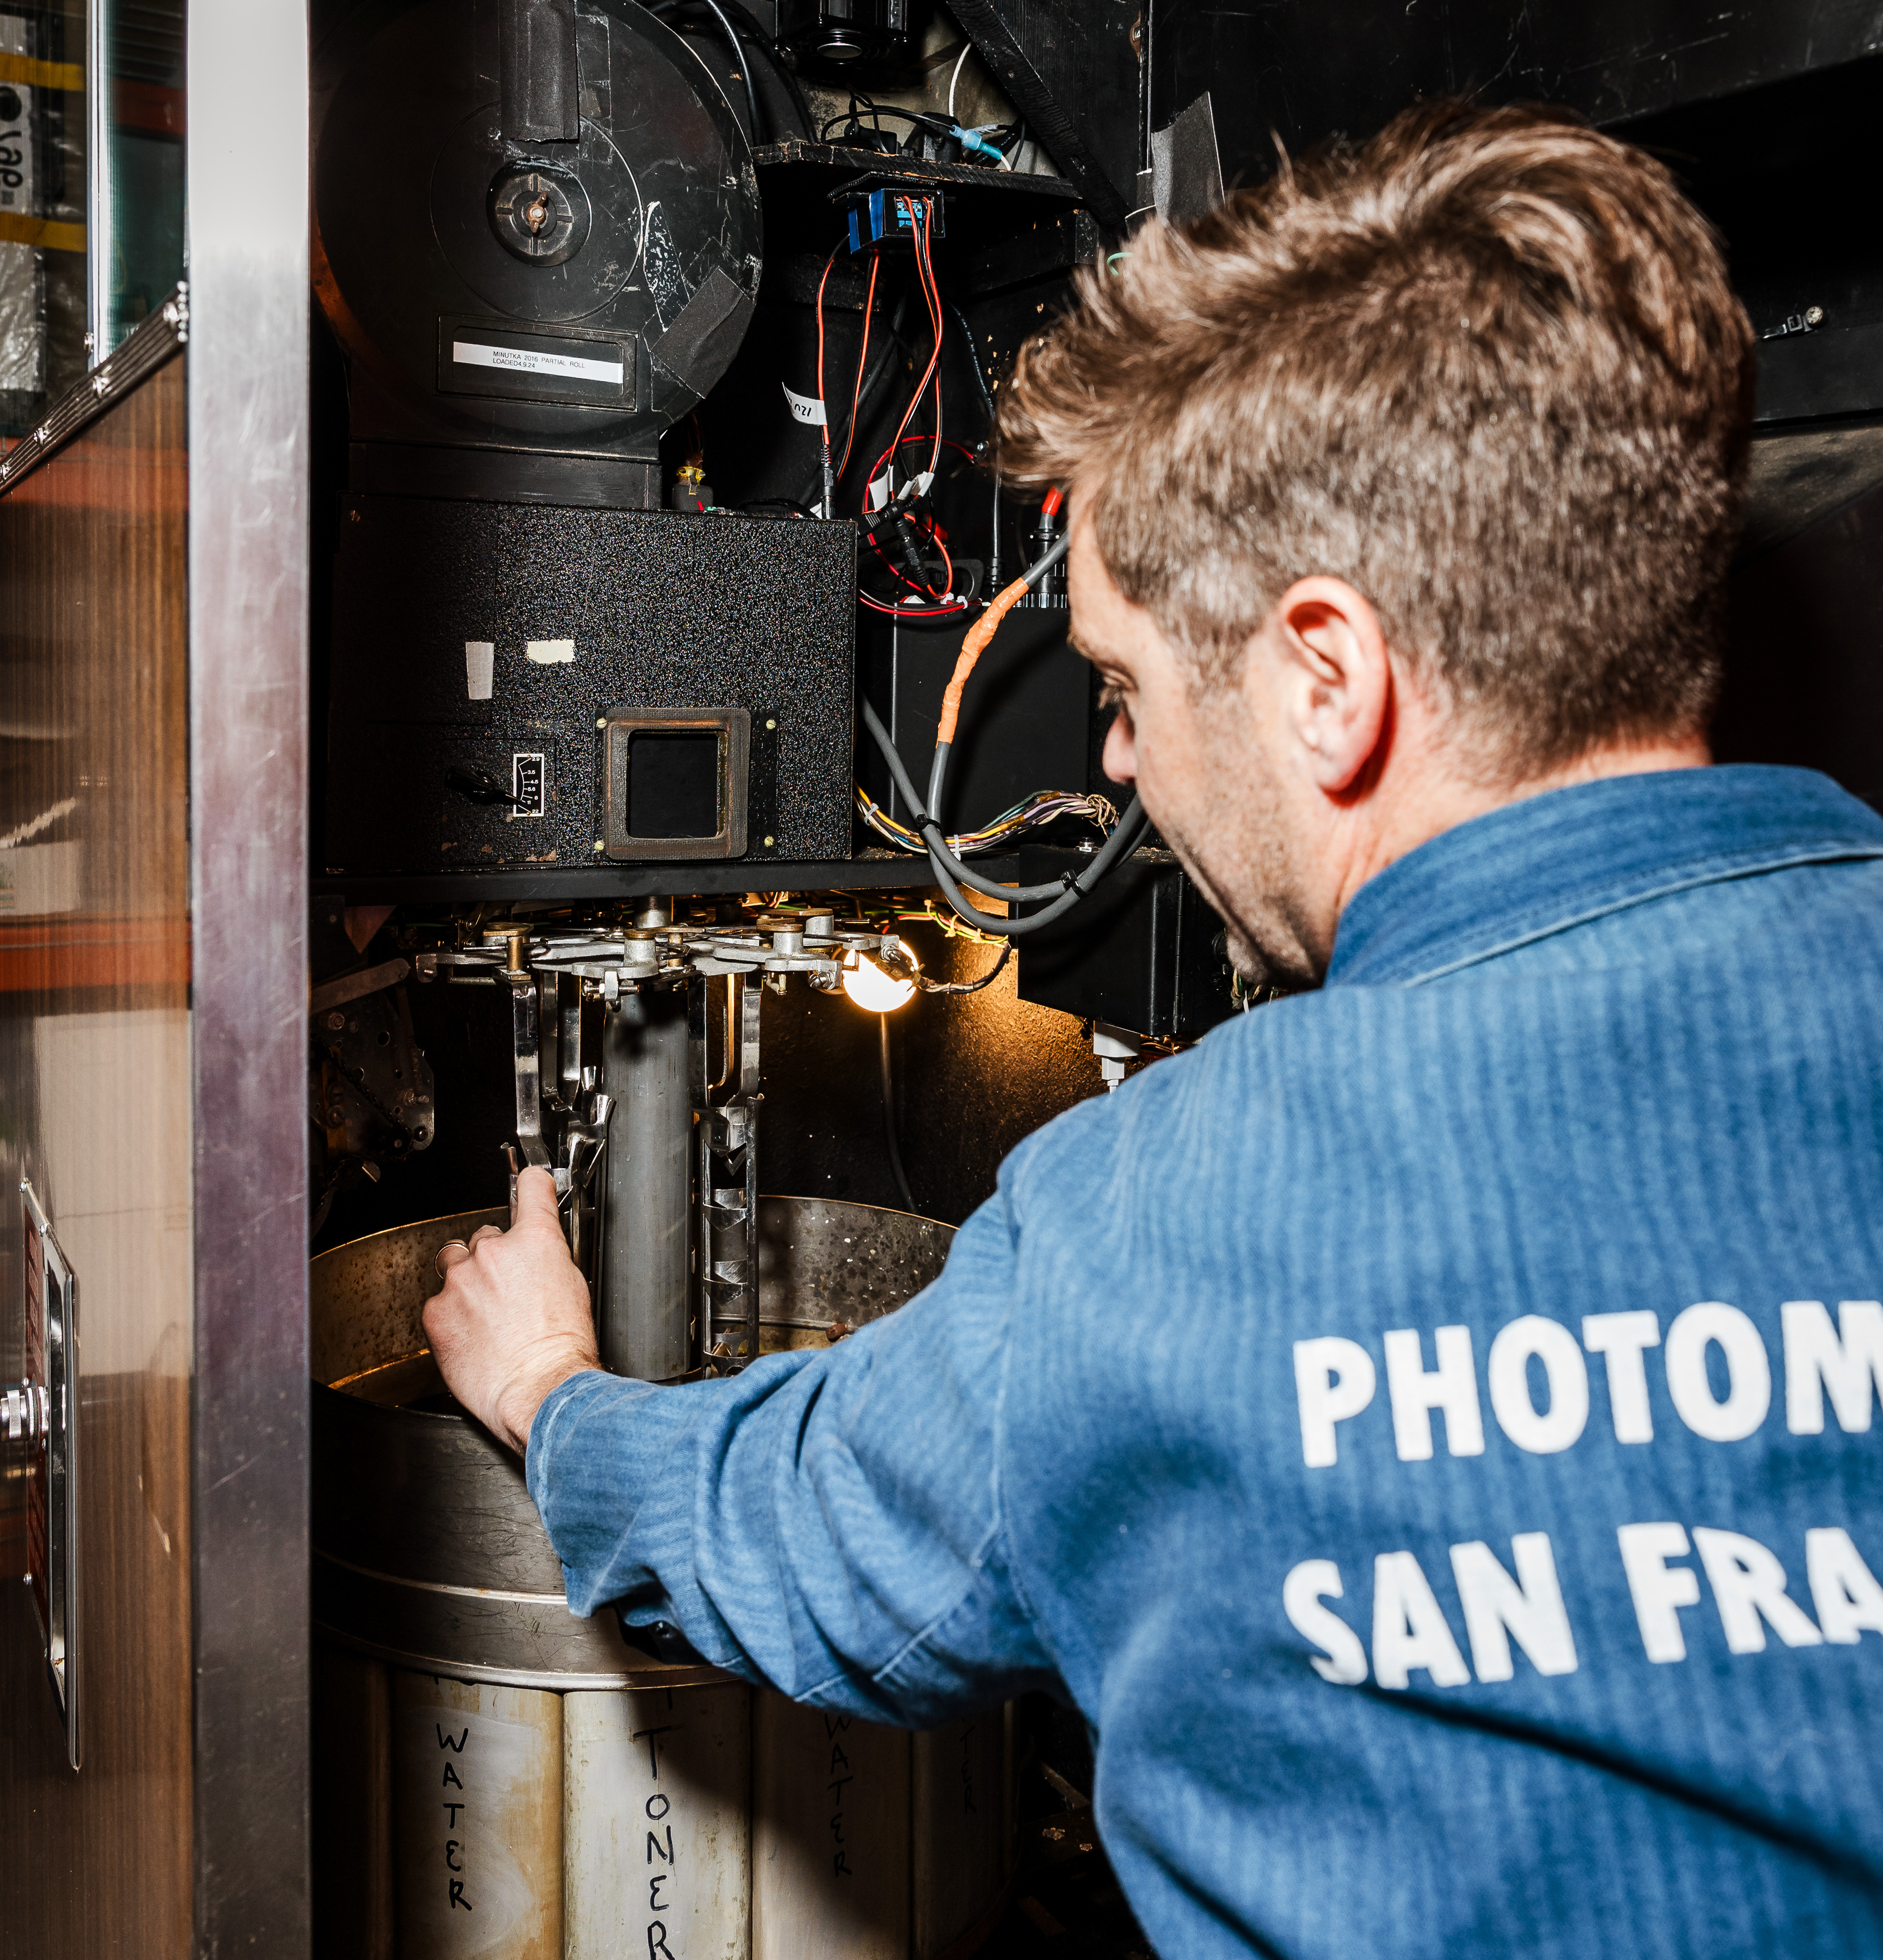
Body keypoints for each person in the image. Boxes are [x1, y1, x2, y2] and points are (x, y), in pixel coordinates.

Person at [426, 102, 1883, 1957]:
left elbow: (774, 1536)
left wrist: (556, 1398)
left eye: (1121, 681)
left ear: (1327, 679)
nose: (1111, 755)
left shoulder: (1155, 1231)